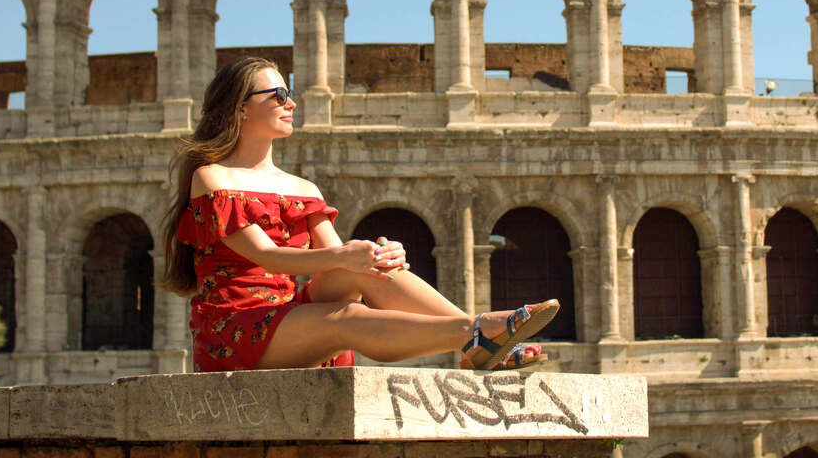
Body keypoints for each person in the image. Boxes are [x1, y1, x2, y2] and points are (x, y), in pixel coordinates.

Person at [159, 55, 558, 373]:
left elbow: (340, 264)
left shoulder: (303, 189)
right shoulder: (211, 178)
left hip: (287, 314)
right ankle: (474, 331)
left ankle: (476, 342)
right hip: (234, 328)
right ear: (240, 108)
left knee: (369, 265)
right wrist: (345, 256)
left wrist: (374, 256)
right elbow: (266, 256)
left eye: (290, 93)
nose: (291, 103)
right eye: (278, 96)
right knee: (346, 315)